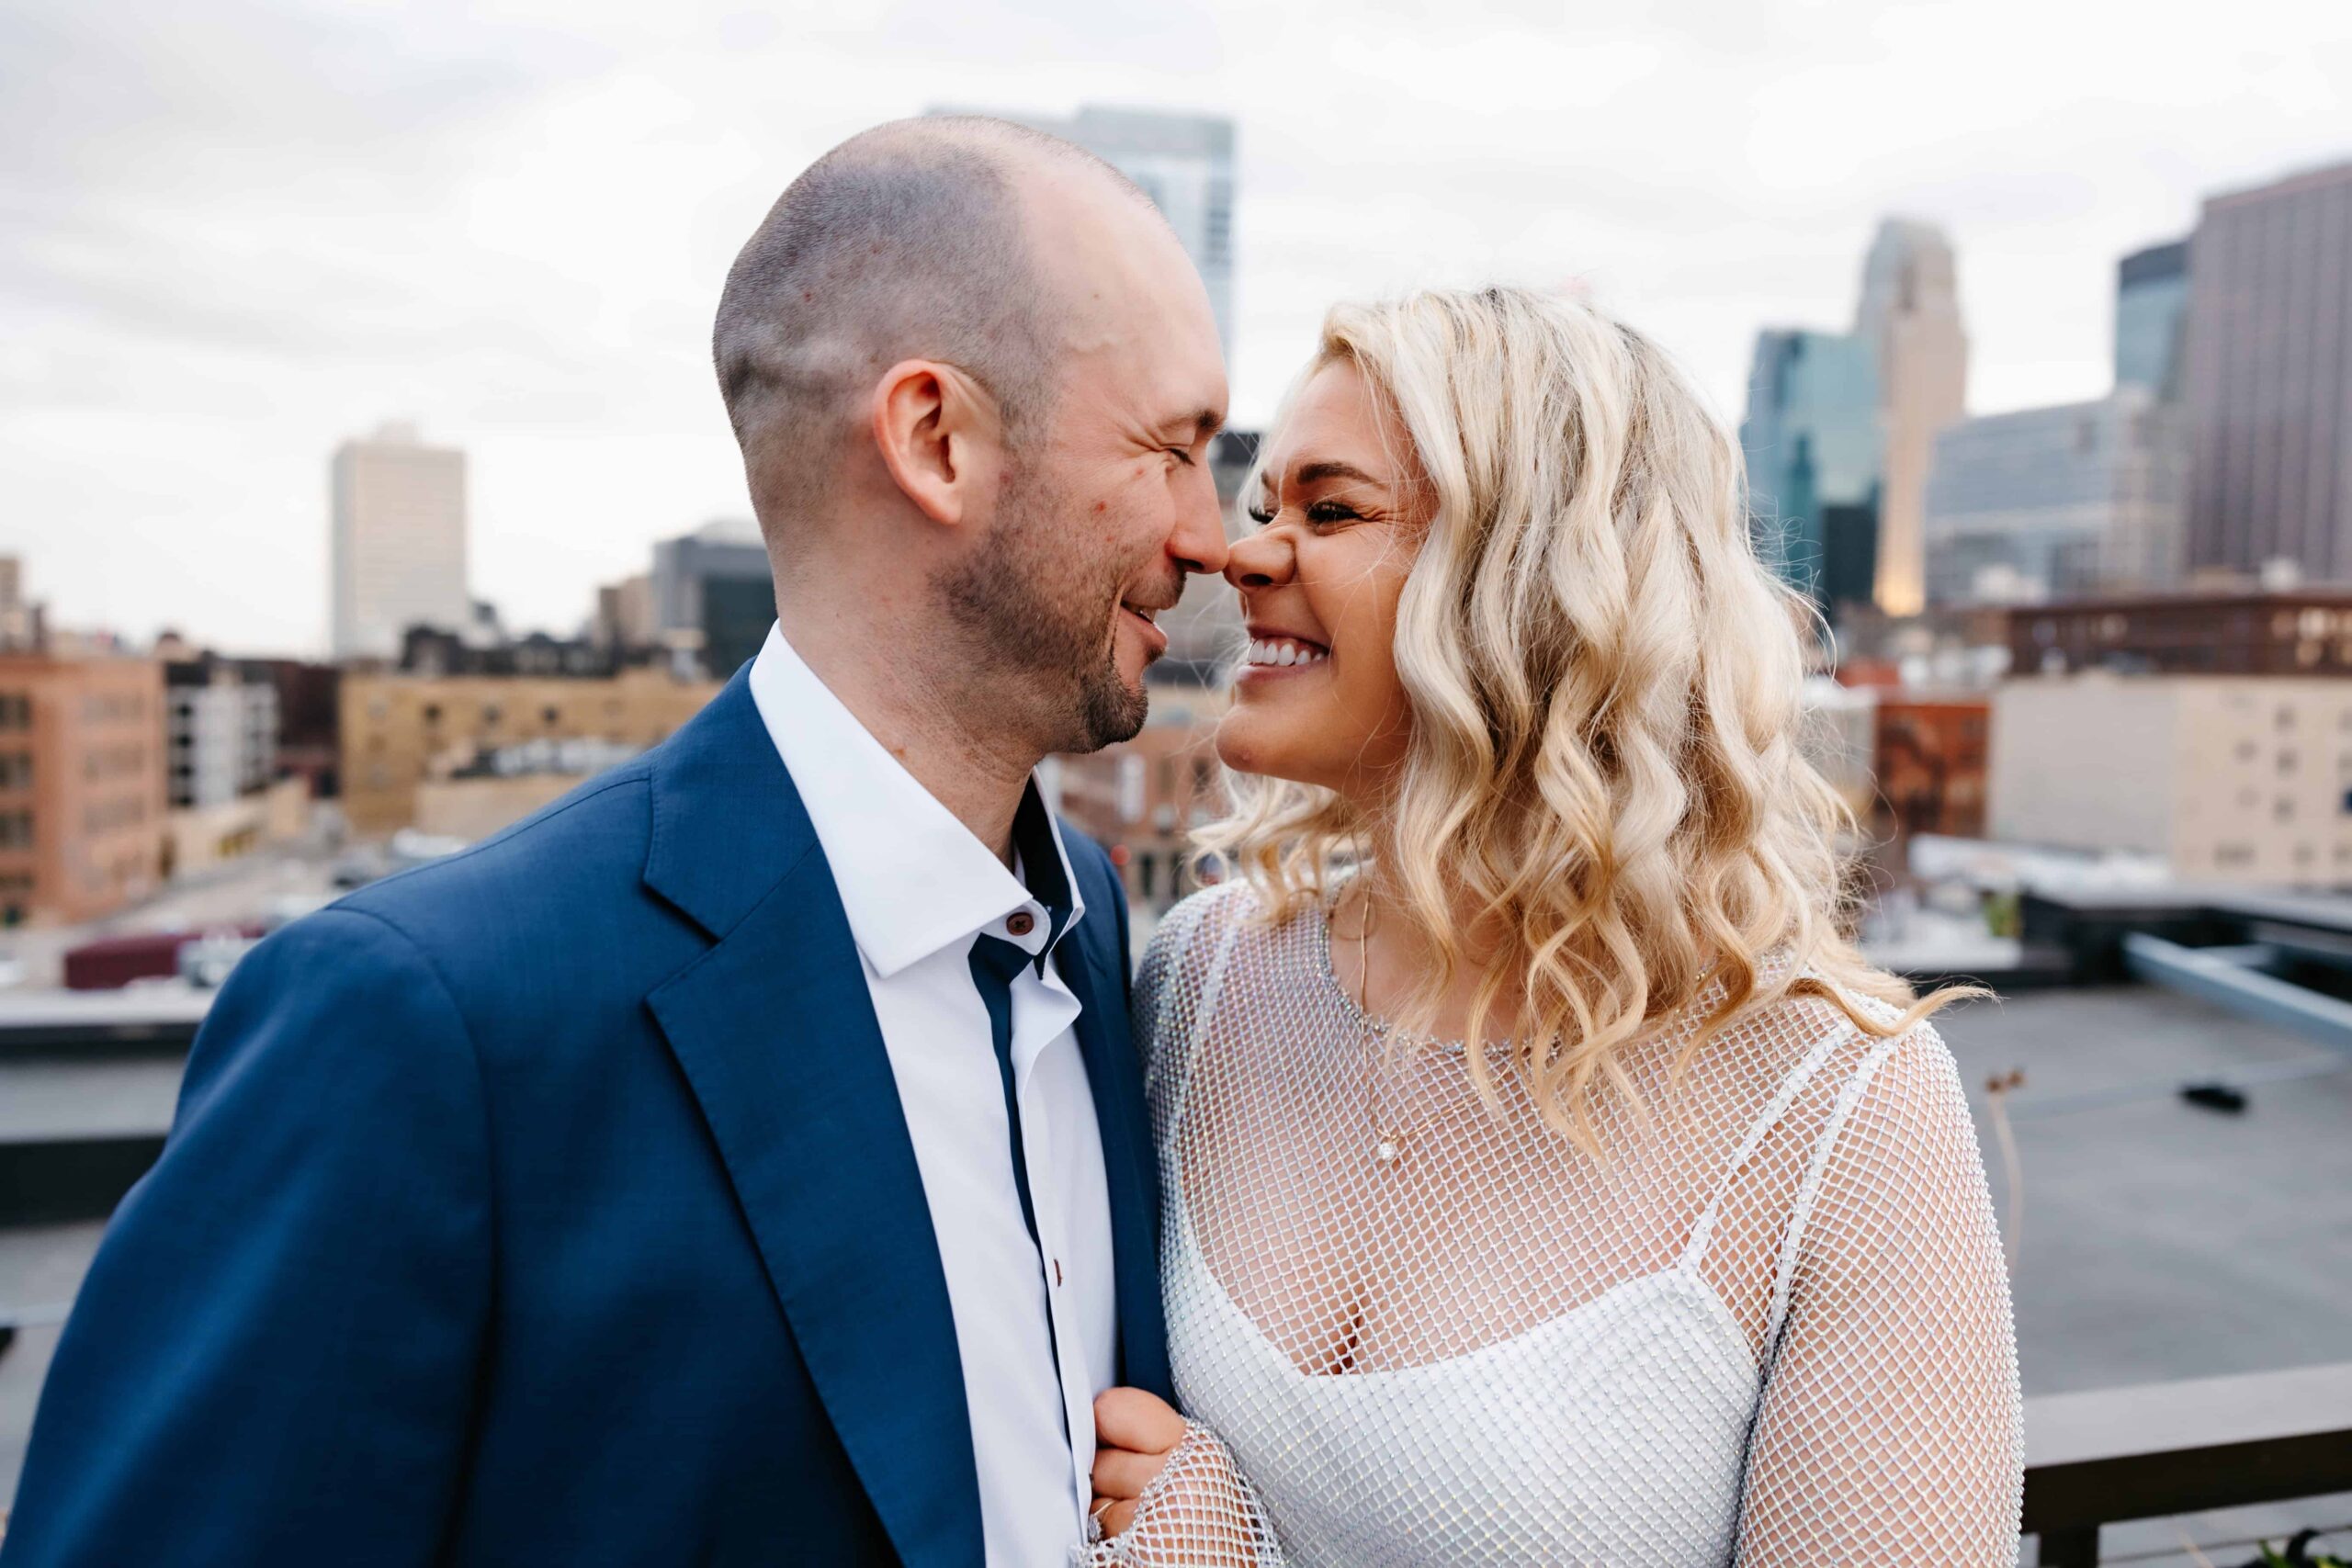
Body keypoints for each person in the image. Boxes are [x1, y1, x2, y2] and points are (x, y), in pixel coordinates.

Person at [1, 117, 1229, 1568]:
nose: (1214, 534)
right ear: (934, 439)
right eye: (1172, 449)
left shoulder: (1085, 918)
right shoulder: (424, 1026)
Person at [1081, 286, 2024, 1565]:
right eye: (1265, 508)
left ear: (1527, 579)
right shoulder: (1196, 981)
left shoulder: (1838, 1112)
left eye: (1332, 509)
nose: (1243, 556)